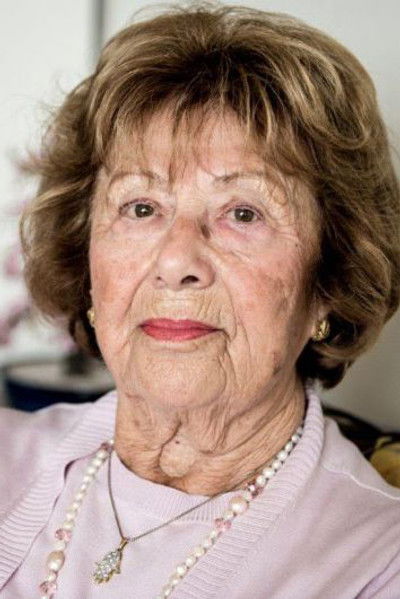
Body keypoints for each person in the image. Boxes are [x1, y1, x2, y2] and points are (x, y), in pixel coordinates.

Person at [1, 3, 399, 598]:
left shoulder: (376, 562)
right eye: (141, 208)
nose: (176, 261)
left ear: (328, 282)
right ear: (87, 267)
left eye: (244, 213)